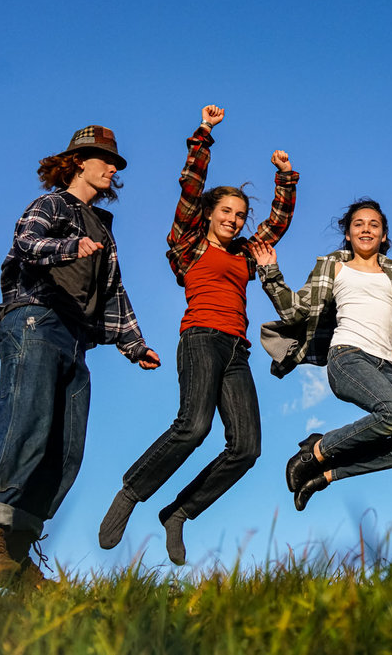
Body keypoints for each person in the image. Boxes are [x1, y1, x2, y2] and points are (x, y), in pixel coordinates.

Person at [97, 105, 298, 565]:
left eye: (241, 214)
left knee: (246, 448)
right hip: (201, 338)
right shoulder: (187, 245)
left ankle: (180, 511)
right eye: (226, 211)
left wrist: (284, 180)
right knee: (194, 426)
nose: (235, 219)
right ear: (209, 214)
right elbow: (189, 187)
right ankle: (132, 493)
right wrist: (204, 133)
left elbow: (278, 224)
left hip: (237, 350)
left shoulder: (247, 253)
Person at [0, 126, 161, 588]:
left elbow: (113, 293)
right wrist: (69, 247)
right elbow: (26, 243)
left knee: (65, 448)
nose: (114, 168)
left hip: (74, 339)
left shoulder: (104, 233)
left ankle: (14, 551)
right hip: (35, 320)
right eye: (105, 160)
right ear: (78, 163)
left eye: (115, 163)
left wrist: (134, 344)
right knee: (25, 422)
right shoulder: (51, 206)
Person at [250, 200, 392, 511]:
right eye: (358, 224)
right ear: (348, 233)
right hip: (348, 357)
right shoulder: (333, 266)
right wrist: (270, 272)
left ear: (383, 235)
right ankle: (314, 451)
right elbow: (294, 309)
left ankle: (325, 474)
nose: (366, 228)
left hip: (387, 368)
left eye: (374, 224)